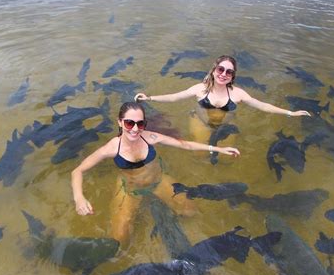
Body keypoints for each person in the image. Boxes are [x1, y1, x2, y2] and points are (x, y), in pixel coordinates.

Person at [71, 102, 240, 246]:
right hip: (130, 189)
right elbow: (77, 171)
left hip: (158, 181)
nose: (135, 129)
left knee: (190, 211)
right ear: (120, 122)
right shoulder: (111, 148)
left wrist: (218, 148)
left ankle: (160, 210)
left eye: (140, 123)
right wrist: (79, 198)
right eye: (130, 123)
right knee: (120, 239)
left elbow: (185, 145)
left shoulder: (150, 137)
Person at [134, 55, 311, 144]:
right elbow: (174, 97)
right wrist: (149, 97)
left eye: (229, 72)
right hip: (201, 122)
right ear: (214, 70)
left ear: (233, 76)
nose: (224, 74)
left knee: (227, 160)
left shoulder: (237, 94)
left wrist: (290, 112)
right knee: (199, 155)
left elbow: (262, 105)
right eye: (220, 69)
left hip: (226, 126)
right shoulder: (200, 89)